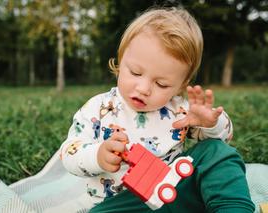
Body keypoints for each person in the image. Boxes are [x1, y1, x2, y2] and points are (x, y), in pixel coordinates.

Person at [59, 7, 254, 212]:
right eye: (135, 72)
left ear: (180, 85)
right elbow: (69, 151)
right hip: (123, 204)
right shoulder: (98, 108)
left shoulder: (181, 111)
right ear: (120, 60)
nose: (143, 89)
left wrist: (211, 125)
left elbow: (222, 141)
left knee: (216, 151)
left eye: (161, 84)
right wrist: (97, 155)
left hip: (175, 189)